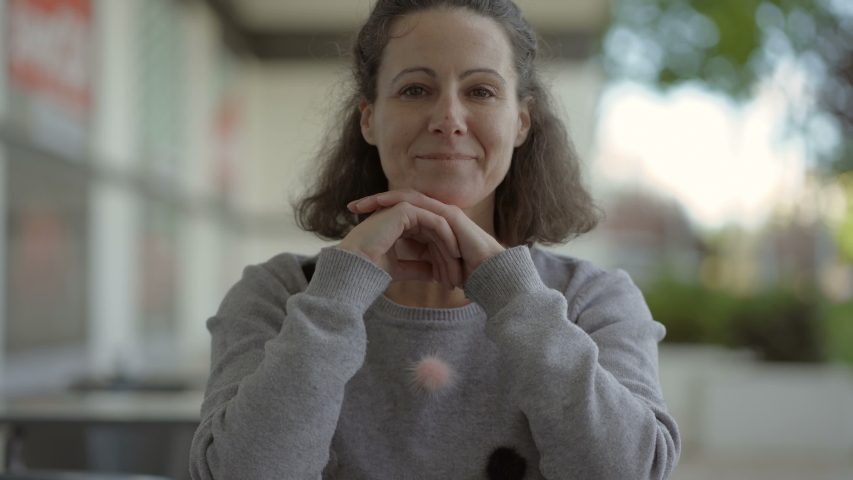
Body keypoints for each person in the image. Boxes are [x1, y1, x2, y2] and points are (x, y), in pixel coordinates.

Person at [189, 0, 681, 478]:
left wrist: (513, 295)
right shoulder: (277, 295)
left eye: (481, 91)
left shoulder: (593, 301)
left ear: (521, 122)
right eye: (415, 90)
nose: (448, 119)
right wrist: (338, 292)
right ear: (368, 119)